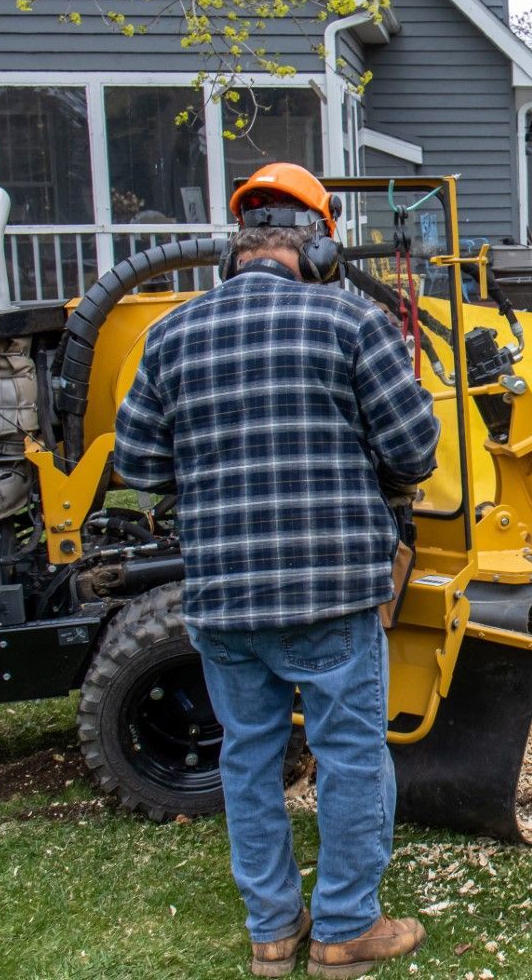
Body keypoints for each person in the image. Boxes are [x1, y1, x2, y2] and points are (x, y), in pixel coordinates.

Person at [113, 163, 440, 978]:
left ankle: (272, 931)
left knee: (248, 758)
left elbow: (140, 466)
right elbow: (414, 450)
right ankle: (344, 929)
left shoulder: (170, 335)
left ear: (239, 247)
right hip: (332, 590)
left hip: (223, 597)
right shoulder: (351, 324)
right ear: (320, 245)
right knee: (351, 754)